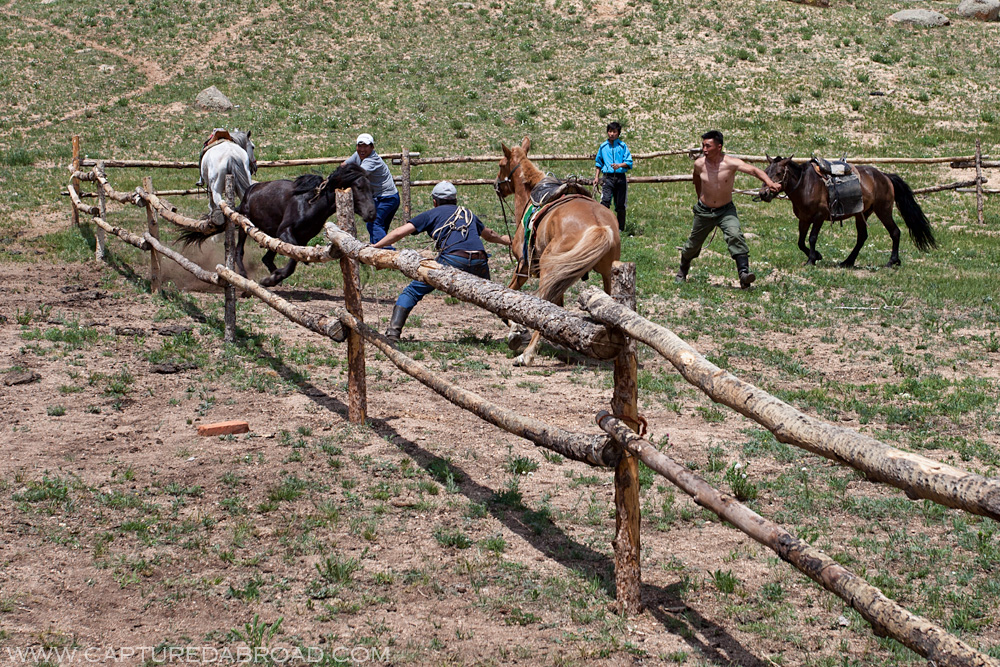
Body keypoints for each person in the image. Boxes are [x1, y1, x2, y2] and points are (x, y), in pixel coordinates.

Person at [372, 181, 512, 345]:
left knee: (412, 291)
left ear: (434, 201)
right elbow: (490, 234)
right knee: (491, 297)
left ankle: (393, 333)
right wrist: (508, 241)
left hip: (453, 259)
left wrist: (375, 246)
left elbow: (398, 233)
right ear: (455, 199)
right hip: (479, 260)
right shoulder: (467, 213)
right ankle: (520, 331)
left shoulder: (430, 214)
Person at [675, 130, 781, 289]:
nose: (704, 149)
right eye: (703, 145)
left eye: (708, 146)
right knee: (692, 244)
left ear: (719, 147)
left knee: (735, 235)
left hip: (725, 211)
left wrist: (770, 183)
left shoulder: (730, 163)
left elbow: (754, 170)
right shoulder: (699, 164)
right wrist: (700, 198)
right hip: (704, 211)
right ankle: (682, 270)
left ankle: (744, 275)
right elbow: (696, 179)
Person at [344, 133, 400, 248]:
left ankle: (389, 253)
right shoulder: (358, 155)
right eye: (360, 146)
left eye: (366, 146)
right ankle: (377, 251)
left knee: (374, 224)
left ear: (372, 147)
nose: (362, 149)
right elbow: (344, 165)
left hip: (387, 198)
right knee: (377, 226)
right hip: (383, 197)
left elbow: (357, 176)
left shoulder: (372, 160)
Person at [593, 121, 633, 232]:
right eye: (610, 131)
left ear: (618, 133)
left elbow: (629, 162)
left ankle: (620, 228)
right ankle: (603, 225)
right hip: (607, 177)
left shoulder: (622, 146)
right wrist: (596, 177)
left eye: (614, 131)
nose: (612, 134)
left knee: (620, 204)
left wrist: (619, 165)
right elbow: (598, 163)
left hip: (620, 177)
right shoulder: (603, 147)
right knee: (605, 202)